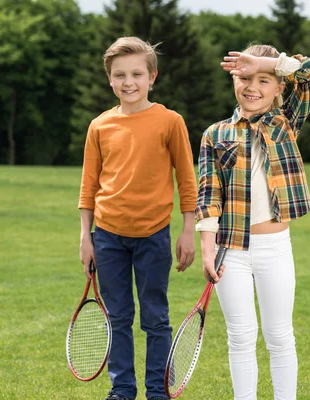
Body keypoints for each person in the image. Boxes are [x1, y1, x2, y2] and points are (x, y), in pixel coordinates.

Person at [195, 44, 310, 400]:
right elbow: (207, 196)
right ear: (233, 80)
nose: (253, 86)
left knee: (280, 335)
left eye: (264, 79)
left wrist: (270, 63)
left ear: (280, 86)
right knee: (241, 335)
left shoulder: (286, 123)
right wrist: (208, 248)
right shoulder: (215, 135)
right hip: (229, 250)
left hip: (275, 248)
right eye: (245, 77)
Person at [78, 36, 197, 400]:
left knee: (156, 318)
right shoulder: (99, 126)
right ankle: (122, 390)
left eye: (136, 74)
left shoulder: (170, 121)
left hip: (154, 236)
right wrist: (86, 237)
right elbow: (89, 186)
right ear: (110, 80)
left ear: (152, 77)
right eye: (120, 75)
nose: (128, 82)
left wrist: (188, 230)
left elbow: (186, 180)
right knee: (117, 318)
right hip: (108, 236)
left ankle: (158, 392)